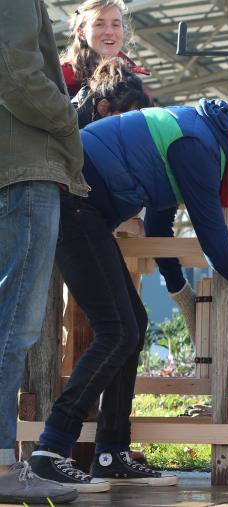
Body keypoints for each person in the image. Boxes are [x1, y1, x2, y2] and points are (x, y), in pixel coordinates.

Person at [26, 82, 228, 492]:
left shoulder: (199, 131)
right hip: (69, 201)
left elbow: (160, 220)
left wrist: (181, 294)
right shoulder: (199, 146)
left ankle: (111, 453)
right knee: (117, 329)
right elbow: (216, 247)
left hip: (84, 208)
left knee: (132, 324)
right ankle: (49, 452)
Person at [0, 0, 88, 504]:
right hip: (25, 169)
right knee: (14, 328)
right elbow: (15, 72)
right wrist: (67, 117)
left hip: (16, 169)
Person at [60, 0, 149, 99]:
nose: (109, 32)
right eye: (99, 24)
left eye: (115, 25)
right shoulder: (62, 78)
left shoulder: (134, 82)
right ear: (81, 32)